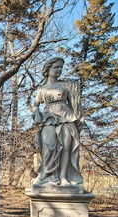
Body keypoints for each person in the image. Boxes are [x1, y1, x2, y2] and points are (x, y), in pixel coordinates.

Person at [32, 57, 84, 187]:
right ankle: (45, 174)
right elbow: (36, 105)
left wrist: (80, 117)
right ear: (48, 70)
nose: (59, 70)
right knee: (48, 146)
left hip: (66, 117)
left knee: (66, 148)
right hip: (49, 118)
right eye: (56, 67)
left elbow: (74, 104)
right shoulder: (42, 88)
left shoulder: (66, 85)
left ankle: (63, 177)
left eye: (61, 67)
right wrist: (36, 114)